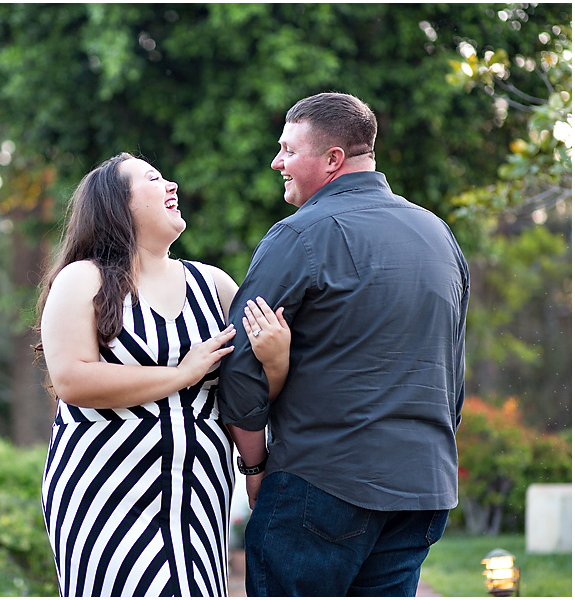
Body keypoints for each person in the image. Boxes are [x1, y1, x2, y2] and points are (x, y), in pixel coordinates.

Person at [218, 93, 470, 596]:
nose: (277, 162)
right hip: (421, 488)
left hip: (321, 485)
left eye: (289, 150)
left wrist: (255, 468)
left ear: (333, 159)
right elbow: (451, 374)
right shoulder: (438, 235)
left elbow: (240, 367)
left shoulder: (301, 234)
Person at [36, 152, 290, 597]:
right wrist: (182, 373)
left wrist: (277, 360)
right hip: (106, 491)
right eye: (154, 179)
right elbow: (72, 380)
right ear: (118, 205)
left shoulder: (214, 284)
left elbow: (246, 392)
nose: (172, 185)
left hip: (200, 494)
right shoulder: (83, 279)